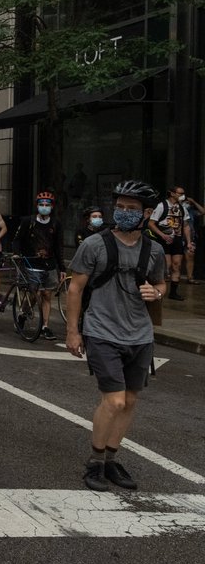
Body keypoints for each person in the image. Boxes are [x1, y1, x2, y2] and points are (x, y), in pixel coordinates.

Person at [65, 180, 165, 492]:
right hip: (102, 330)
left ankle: (110, 459)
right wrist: (72, 332)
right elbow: (75, 287)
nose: (122, 212)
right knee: (114, 400)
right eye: (119, 207)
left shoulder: (155, 250)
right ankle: (95, 463)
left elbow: (162, 286)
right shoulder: (94, 245)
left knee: (130, 400)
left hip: (139, 334)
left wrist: (156, 292)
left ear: (146, 213)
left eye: (131, 209)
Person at [12, 190, 65, 340]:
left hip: (49, 264)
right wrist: (16, 253)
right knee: (34, 293)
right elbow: (17, 240)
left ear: (52, 207)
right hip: (32, 263)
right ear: (37, 206)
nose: (44, 207)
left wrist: (62, 268)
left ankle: (45, 326)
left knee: (47, 294)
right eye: (41, 204)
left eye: (47, 205)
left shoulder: (56, 224)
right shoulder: (28, 221)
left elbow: (59, 246)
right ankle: (23, 313)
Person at [147, 186, 193, 301]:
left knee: (177, 264)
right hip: (164, 239)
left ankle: (173, 292)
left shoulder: (182, 208)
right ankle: (158, 288)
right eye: (180, 193)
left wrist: (188, 242)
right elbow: (151, 223)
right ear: (172, 193)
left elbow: (186, 225)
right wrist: (162, 235)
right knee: (166, 265)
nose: (182, 195)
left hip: (177, 239)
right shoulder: (162, 206)